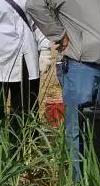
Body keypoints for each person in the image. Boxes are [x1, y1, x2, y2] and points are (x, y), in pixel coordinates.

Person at [26, 0, 100, 178]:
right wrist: (59, 35)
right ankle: (79, 184)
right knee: (78, 127)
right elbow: (35, 5)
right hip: (79, 65)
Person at [0, 0, 51, 142]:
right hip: (2, 56)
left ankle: (25, 147)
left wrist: (45, 50)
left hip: (26, 56)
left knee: (26, 107)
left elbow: (39, 23)